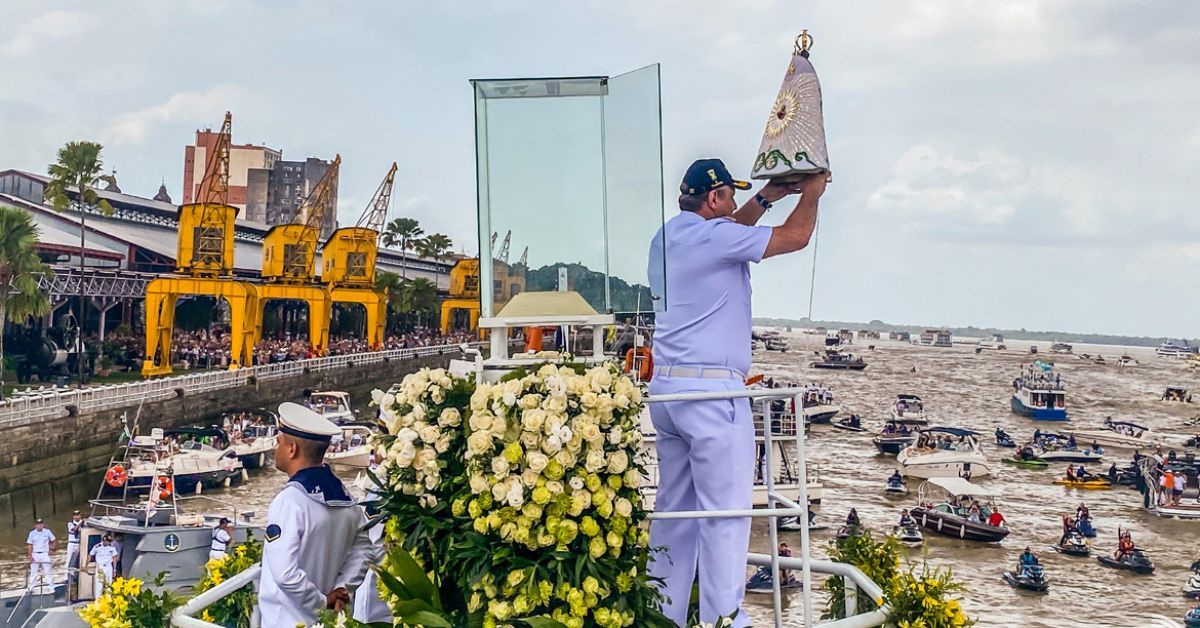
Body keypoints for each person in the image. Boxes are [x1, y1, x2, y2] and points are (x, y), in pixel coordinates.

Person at [645, 158, 825, 628]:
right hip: (710, 395)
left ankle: (661, 615)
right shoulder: (717, 236)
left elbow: (729, 231)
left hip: (668, 393)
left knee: (675, 517)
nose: (731, 208)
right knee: (725, 516)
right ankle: (725, 621)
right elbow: (796, 237)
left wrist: (766, 197)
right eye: (728, 197)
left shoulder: (669, 236)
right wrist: (811, 193)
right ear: (714, 198)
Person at [258, 402, 373, 626]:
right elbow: (364, 550)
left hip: (285, 621)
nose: (275, 448)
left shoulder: (290, 501)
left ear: (292, 449)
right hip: (326, 622)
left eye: (278, 442)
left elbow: (284, 574)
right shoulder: (345, 497)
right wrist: (342, 588)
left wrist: (322, 601)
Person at [26, 518, 56, 590]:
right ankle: (31, 587)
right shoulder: (32, 533)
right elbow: (30, 544)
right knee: (33, 572)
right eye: (38, 524)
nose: (39, 525)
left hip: (45, 554)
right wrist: (30, 555)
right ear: (35, 525)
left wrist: (53, 548)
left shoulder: (47, 532)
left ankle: (51, 586)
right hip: (35, 554)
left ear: (43, 525)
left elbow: (53, 540)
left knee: (48, 571)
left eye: (40, 524)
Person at [66, 510, 82, 582]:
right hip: (71, 543)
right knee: (69, 559)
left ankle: (77, 574)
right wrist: (81, 523)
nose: (76, 516)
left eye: (78, 514)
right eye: (75, 515)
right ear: (73, 516)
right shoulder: (70, 523)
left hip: (79, 543)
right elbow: (74, 529)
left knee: (79, 559)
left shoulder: (84, 523)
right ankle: (67, 576)